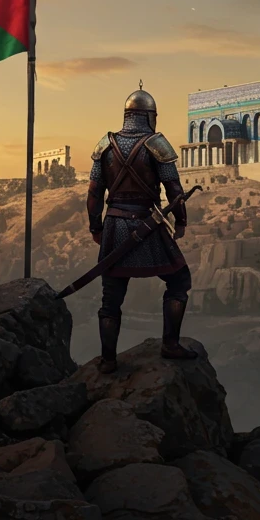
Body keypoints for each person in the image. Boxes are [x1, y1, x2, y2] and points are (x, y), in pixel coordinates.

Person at [87, 84, 198, 373]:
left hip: (113, 226)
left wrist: (95, 227)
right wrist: (181, 221)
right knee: (179, 281)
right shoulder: (156, 143)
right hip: (147, 226)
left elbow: (94, 193)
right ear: (149, 116)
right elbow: (174, 189)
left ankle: (108, 360)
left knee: (111, 297)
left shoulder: (105, 145)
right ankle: (170, 344)